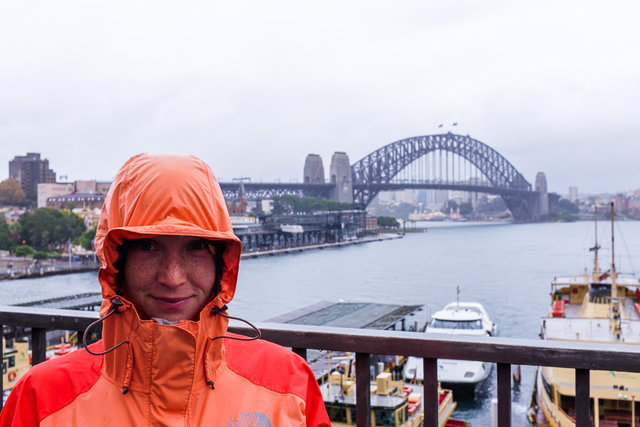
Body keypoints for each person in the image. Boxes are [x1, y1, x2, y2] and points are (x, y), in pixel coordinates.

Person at [1, 153, 330, 426]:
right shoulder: (40, 399)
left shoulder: (291, 385)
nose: (172, 278)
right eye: (147, 246)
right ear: (117, 262)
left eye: (196, 246)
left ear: (222, 263)